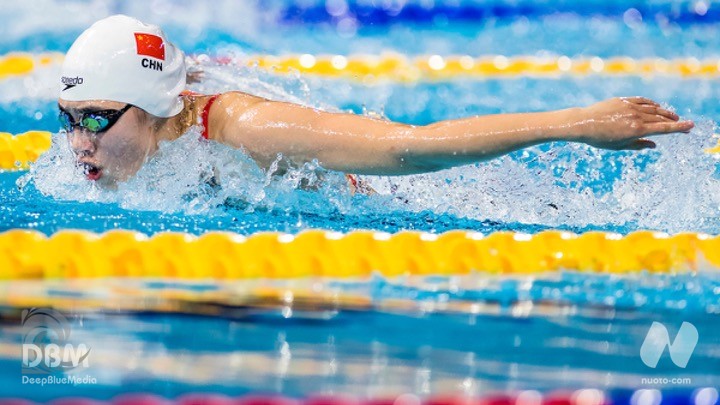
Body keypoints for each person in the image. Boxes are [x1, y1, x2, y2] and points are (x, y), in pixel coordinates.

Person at [59, 15, 694, 190]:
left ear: (152, 106)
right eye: (69, 120)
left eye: (95, 120)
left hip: (404, 195)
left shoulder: (247, 126)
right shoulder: (140, 134)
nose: (79, 143)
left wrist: (577, 122)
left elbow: (407, 148)